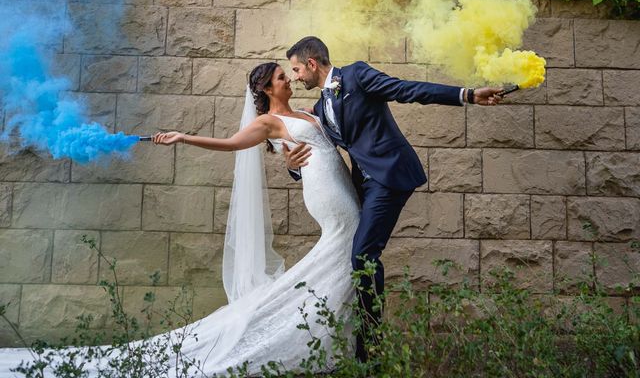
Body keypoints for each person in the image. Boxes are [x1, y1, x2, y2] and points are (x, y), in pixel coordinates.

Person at [0, 62, 360, 377]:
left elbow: (318, 147)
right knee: (345, 248)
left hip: (338, 186)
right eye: (283, 77)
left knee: (345, 257)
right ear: (267, 88)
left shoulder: (305, 111)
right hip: (329, 199)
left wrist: (291, 162)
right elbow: (232, 143)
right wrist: (183, 137)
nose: (289, 81)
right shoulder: (268, 121)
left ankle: (336, 335)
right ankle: (320, 336)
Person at [283, 36, 503, 361]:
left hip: (389, 176)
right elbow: (319, 152)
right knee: (353, 255)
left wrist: (466, 94)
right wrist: (293, 168)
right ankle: (353, 340)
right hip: (364, 183)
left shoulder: (356, 75)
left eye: (297, 69)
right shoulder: (321, 107)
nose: (296, 76)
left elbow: (406, 90)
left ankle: (370, 349)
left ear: (312, 64)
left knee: (363, 255)